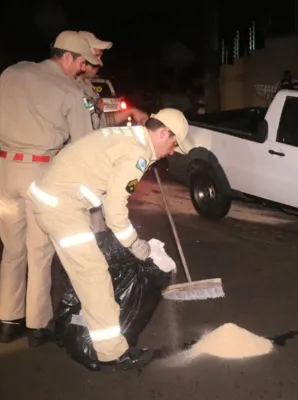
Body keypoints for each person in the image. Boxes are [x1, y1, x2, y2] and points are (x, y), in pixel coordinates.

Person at [28, 108, 192, 371]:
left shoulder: (129, 138)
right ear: (163, 133)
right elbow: (115, 210)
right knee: (93, 274)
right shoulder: (136, 152)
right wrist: (135, 244)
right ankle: (113, 353)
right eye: (173, 144)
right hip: (62, 207)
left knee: (85, 270)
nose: (172, 151)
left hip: (55, 199)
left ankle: (68, 329)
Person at [0, 30, 102, 347]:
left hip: (7, 170)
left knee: (12, 250)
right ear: (68, 57)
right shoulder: (70, 90)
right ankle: (37, 326)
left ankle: (7, 321)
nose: (81, 69)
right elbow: (83, 145)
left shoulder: (12, 73)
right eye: (80, 63)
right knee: (40, 250)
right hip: (42, 172)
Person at [73, 31, 149, 129]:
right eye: (96, 56)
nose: (100, 63)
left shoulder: (85, 85)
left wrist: (131, 111)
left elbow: (99, 121)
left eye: (100, 57)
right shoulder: (67, 87)